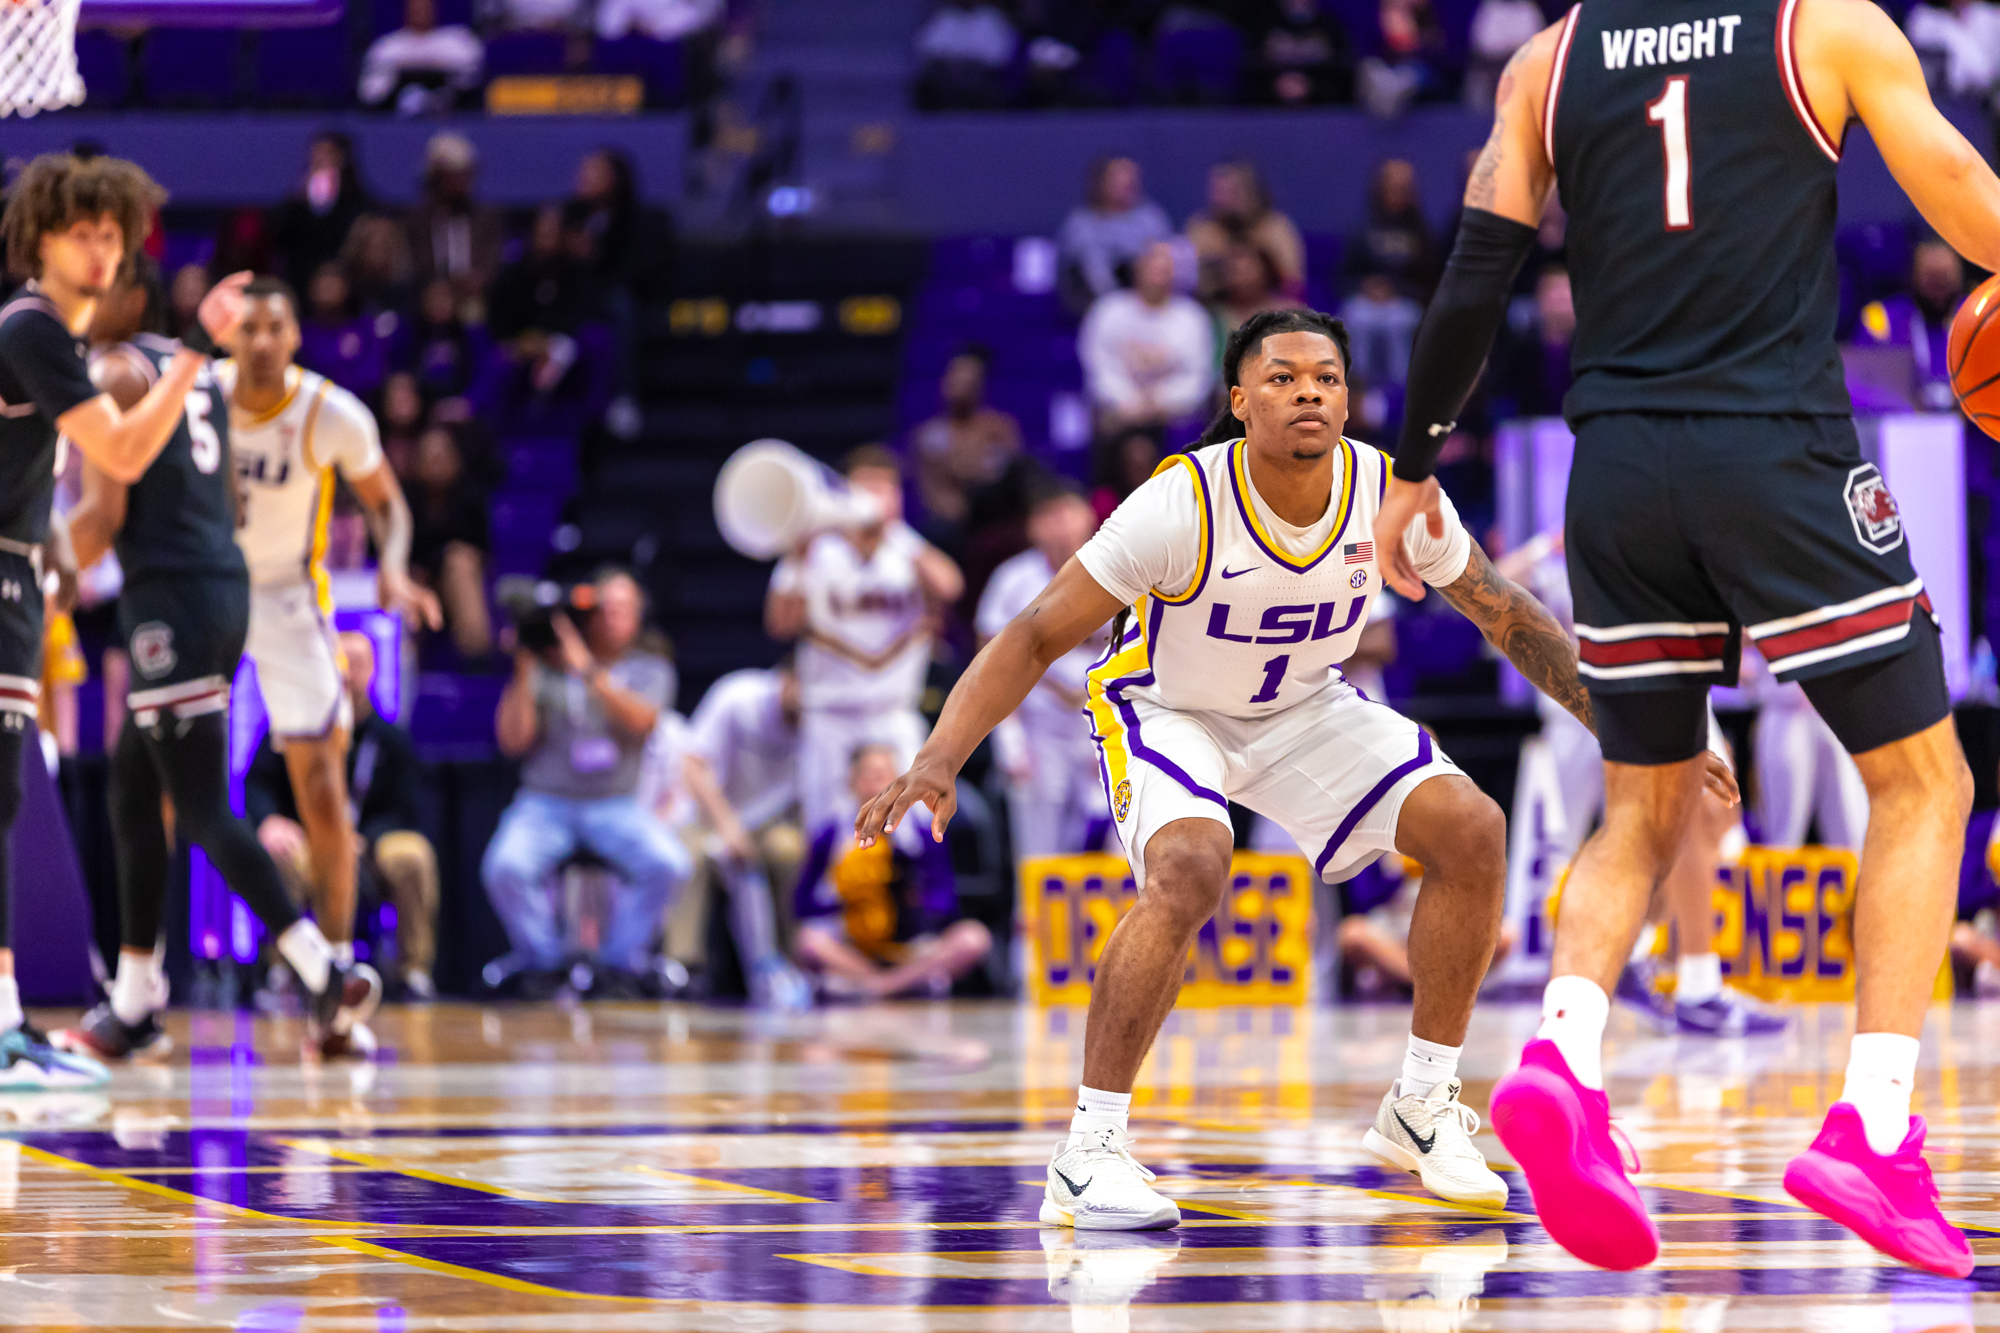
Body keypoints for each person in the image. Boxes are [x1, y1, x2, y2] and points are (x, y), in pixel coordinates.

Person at [858, 310, 1731, 1228]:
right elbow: (1037, 631)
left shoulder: (1390, 493)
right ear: (1238, 400)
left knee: (1472, 828)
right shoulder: (1181, 500)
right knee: (1192, 865)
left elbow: (1502, 609)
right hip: (1166, 706)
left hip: (1303, 706)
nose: (1307, 390)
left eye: (1326, 376)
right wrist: (939, 757)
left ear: (1349, 398)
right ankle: (1089, 1149)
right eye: (1281, 377)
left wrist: (1626, 722)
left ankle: (1421, 1104)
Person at [1378, 0, 2000, 1276]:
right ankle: (1872, 1130)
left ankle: (1562, 1052)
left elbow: (1474, 279)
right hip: (1768, 448)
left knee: (1639, 808)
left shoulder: (1546, 63)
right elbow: (1967, 208)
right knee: (1923, 781)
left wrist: (1408, 469)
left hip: (1612, 466)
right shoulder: (1819, 25)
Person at [50, 254, 378, 1065]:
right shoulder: (194, 374)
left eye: (95, 287)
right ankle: (134, 1000)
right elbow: (227, 496)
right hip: (214, 589)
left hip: (174, 602)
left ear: (128, 298)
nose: (79, 300)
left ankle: (319, 965)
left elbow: (100, 512)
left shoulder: (118, 371)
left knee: (199, 805)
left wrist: (39, 561)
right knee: (133, 791)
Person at [215, 276, 441, 1030]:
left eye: (273, 327)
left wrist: (395, 565)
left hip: (287, 599)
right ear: (229, 337)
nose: (260, 341)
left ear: (293, 336)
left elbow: (388, 504)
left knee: (324, 795)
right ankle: (138, 978)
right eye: (246, 329)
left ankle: (335, 973)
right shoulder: (199, 395)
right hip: (208, 585)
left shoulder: (328, 409)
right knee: (157, 773)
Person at [483, 569, 689, 991]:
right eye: (605, 607)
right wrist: (526, 666)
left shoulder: (650, 668)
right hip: (546, 803)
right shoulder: (547, 668)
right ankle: (545, 965)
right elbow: (512, 740)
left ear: (637, 618)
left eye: (623, 609)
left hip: (615, 804)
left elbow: (644, 722)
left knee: (669, 864)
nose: (612, 617)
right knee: (504, 867)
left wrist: (587, 669)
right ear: (587, 611)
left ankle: (618, 965)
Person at [765, 445, 964, 831]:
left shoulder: (907, 551)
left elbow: (950, 586)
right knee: (828, 835)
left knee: (913, 833)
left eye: (885, 488)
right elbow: (780, 624)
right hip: (828, 715)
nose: (875, 498)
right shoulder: (816, 550)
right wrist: (795, 556)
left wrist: (898, 533)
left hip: (892, 712)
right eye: (865, 487)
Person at [247, 631, 440, 1000]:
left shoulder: (389, 739)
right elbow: (257, 786)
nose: (348, 675)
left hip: (371, 843)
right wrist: (270, 819)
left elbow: (409, 808)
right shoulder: (294, 729)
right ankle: (282, 973)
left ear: (373, 671)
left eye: (358, 665)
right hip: (309, 841)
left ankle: (413, 973)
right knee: (280, 853)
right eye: (342, 665)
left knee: (412, 854)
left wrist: (363, 837)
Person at [975, 480, 1110, 862]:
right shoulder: (1013, 580)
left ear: (1089, 517)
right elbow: (988, 662)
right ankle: (1032, 924)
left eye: (1069, 513)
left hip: (1104, 724)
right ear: (1033, 527)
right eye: (1050, 517)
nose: (1061, 526)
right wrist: (1008, 738)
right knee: (1038, 849)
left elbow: (1145, 648)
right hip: (1039, 730)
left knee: (1118, 842)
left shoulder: (1117, 568)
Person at [796, 745, 992, 997]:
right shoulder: (831, 836)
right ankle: (896, 983)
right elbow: (802, 904)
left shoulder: (922, 835)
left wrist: (911, 899)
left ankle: (882, 986)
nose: (878, 786)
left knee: (973, 938)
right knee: (809, 940)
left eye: (886, 776)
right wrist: (848, 900)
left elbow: (945, 898)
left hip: (912, 946)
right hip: (855, 946)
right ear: (851, 782)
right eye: (869, 776)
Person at [678, 659, 811, 1008]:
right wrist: (726, 827)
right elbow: (692, 765)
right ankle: (683, 969)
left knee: (794, 852)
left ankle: (789, 966)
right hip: (706, 815)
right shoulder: (738, 695)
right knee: (686, 860)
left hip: (767, 826)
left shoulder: (825, 720)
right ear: (788, 676)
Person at [1078, 241, 1217, 438]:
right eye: (1151, 268)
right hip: (1119, 411)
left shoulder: (1193, 317)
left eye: (1164, 270)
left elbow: (1197, 377)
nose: (1157, 277)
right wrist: (1129, 401)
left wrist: (1160, 401)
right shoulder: (1108, 311)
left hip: (1174, 414)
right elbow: (1099, 367)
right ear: (1137, 269)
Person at [912, 346, 1023, 551]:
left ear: (980, 386)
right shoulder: (929, 434)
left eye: (968, 381)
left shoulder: (999, 429)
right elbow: (929, 489)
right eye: (955, 379)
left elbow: (1008, 478)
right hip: (948, 522)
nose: (960, 387)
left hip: (991, 515)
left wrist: (962, 469)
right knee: (938, 531)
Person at [1851, 237, 1965, 413]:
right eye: (1931, 280)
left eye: (1945, 280)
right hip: (1902, 430)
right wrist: (1904, 401)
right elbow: (1860, 390)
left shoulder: (1976, 320)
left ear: (1959, 278)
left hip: (1969, 432)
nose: (1938, 294)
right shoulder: (1882, 320)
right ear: (1913, 277)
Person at [1057, 157, 1174, 316]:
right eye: (1118, 177)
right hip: (1093, 307)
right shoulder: (1080, 223)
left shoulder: (1151, 219)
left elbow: (1163, 262)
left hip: (1147, 303)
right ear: (1101, 182)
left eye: (1130, 178)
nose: (1125, 183)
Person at [405, 134, 505, 312]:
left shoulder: (486, 216)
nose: (464, 181)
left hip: (477, 298)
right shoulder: (417, 219)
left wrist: (476, 280)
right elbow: (413, 264)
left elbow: (492, 261)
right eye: (456, 174)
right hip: (429, 300)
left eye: (468, 174)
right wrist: (436, 287)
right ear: (436, 176)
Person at [1184, 161, 1306, 301]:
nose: (1223, 200)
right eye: (1217, 191)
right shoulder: (1201, 229)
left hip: (1267, 312)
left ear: (1252, 191)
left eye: (1231, 191)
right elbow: (1189, 287)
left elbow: (1294, 285)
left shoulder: (1276, 229)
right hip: (1215, 312)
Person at [268, 133, 373, 290]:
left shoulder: (358, 201)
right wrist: (299, 197)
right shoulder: (297, 201)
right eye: (317, 153)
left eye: (329, 153)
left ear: (344, 158)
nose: (321, 159)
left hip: (344, 277)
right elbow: (279, 234)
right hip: (300, 276)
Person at [357, 0, 485, 114]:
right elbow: (369, 93)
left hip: (450, 115)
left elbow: (471, 78)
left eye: (425, 6)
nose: (420, 11)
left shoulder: (458, 42)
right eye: (416, 7)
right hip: (395, 118)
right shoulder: (386, 47)